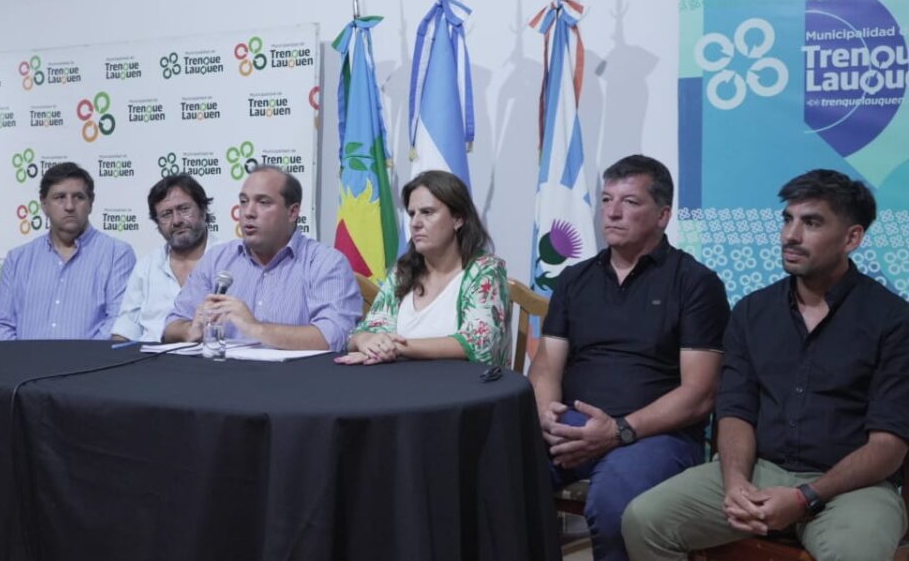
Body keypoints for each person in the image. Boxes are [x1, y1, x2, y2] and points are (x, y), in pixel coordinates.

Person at [623, 169, 909, 561]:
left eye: (812, 223)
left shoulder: (893, 320)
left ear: (852, 238)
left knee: (854, 552)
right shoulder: (751, 312)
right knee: (644, 519)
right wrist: (736, 483)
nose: (791, 235)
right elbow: (735, 413)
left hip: (852, 487)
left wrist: (805, 497)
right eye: (788, 219)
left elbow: (888, 447)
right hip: (759, 470)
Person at [526, 154, 730, 561]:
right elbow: (547, 365)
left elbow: (700, 394)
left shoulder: (695, 283)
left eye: (630, 202)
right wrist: (546, 413)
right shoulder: (575, 279)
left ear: (663, 215)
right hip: (572, 423)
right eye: (606, 200)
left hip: (656, 436)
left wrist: (619, 430)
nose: (612, 212)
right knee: (497, 473)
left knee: (614, 506)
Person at [163, 166, 360, 352]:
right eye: (244, 201)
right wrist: (192, 330)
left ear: (292, 212)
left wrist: (255, 328)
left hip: (295, 375)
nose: (248, 212)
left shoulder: (326, 263)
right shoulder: (217, 259)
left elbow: (335, 337)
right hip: (222, 372)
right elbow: (171, 325)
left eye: (263, 202)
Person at [337, 170, 509, 366]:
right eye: (412, 214)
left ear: (458, 219)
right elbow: (371, 328)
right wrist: (365, 340)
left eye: (427, 212)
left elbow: (480, 343)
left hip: (465, 383)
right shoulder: (403, 271)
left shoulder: (486, 270)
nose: (415, 223)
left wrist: (398, 347)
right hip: (402, 382)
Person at [0, 161, 135, 340]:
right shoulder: (18, 259)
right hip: (25, 360)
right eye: (59, 197)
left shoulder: (117, 255)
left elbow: (119, 323)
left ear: (90, 203)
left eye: (78, 197)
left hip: (93, 359)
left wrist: (84, 357)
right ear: (44, 205)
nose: (69, 206)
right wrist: (24, 358)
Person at [111, 174, 214, 343]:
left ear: (203, 210)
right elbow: (125, 329)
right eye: (166, 214)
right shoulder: (147, 266)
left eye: (184, 209)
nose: (176, 221)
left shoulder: (230, 259)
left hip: (211, 356)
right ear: (157, 224)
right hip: (149, 357)